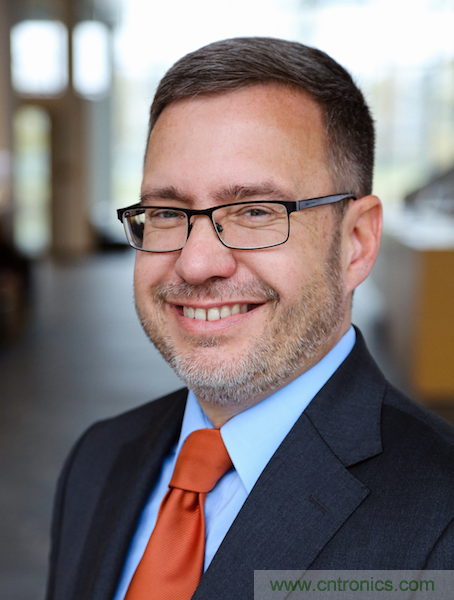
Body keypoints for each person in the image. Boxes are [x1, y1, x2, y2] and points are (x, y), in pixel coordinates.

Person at [45, 37, 454, 600]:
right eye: (167, 212)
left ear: (356, 242)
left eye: (256, 211)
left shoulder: (441, 519)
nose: (196, 264)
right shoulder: (99, 459)